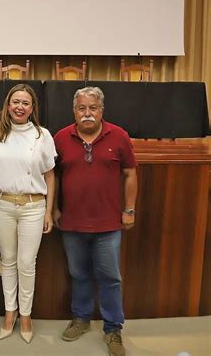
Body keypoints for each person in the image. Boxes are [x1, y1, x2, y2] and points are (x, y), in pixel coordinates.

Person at [53, 86, 137, 356]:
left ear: (101, 110)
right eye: (81, 108)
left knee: (110, 277)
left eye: (93, 108)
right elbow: (52, 176)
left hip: (108, 224)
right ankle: (81, 319)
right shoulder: (61, 137)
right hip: (71, 223)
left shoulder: (119, 136)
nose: (87, 113)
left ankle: (113, 329)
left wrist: (130, 210)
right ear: (74, 111)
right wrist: (53, 209)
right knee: (79, 275)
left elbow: (130, 174)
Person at [0, 83, 56, 343]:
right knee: (8, 261)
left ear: (32, 108)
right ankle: (10, 312)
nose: (20, 107)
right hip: (2, 204)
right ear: (8, 105)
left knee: (27, 264)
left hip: (33, 207)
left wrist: (49, 210)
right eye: (15, 102)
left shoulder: (42, 135)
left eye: (25, 103)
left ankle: (25, 314)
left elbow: (50, 175)